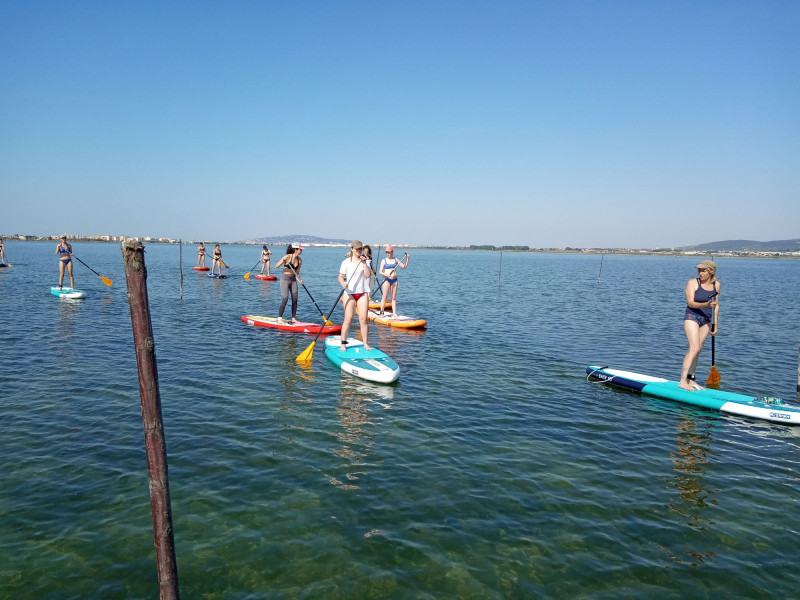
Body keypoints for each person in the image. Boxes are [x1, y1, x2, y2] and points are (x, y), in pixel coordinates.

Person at [679, 260, 721, 391]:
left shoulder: (717, 285)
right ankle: (682, 381)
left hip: (707, 319)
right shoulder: (692, 283)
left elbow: (716, 305)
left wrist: (715, 324)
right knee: (694, 348)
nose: (700, 273)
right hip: (692, 317)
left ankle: (691, 380)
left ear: (711, 272)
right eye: (699, 270)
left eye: (703, 270)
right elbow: (691, 303)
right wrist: (705, 305)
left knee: (699, 349)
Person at [338, 240, 372, 351]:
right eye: (357, 249)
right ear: (352, 249)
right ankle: (343, 343)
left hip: (362, 293)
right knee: (348, 319)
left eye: (360, 249)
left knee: (363, 320)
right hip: (349, 293)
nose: (359, 251)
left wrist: (364, 263)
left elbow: (367, 275)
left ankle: (366, 343)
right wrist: (343, 283)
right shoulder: (346, 262)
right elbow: (340, 277)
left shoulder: (365, 262)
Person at [274, 243, 304, 323]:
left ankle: (293, 318)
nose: (301, 250)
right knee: (285, 298)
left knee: (295, 299)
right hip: (285, 280)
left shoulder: (300, 260)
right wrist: (283, 261)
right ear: (296, 249)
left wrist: (299, 280)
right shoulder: (287, 257)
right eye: (300, 249)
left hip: (293, 280)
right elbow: (276, 266)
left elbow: (297, 273)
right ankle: (279, 318)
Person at [378, 245, 410, 315]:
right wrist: (387, 275)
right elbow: (380, 272)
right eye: (386, 252)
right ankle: (381, 312)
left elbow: (404, 266)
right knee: (384, 297)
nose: (388, 254)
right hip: (387, 280)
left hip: (394, 280)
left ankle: (394, 313)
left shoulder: (396, 260)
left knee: (393, 298)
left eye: (389, 252)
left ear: (392, 252)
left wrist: (407, 259)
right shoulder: (384, 261)